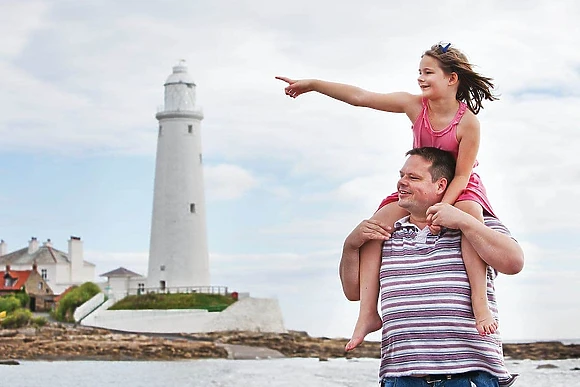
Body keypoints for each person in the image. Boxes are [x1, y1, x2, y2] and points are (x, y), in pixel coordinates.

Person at [277, 42, 501, 349]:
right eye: (419, 72)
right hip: (422, 183)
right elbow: (361, 97)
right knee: (374, 228)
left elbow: (462, 175)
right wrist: (314, 85)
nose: (421, 78)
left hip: (458, 186)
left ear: (451, 79)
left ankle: (479, 301)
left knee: (470, 219)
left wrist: (443, 209)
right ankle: (368, 312)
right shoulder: (414, 105)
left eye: (428, 72)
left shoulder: (468, 122)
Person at [340, 147, 523, 387]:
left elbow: (514, 262)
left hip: (470, 375)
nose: (401, 183)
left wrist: (464, 222)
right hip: (401, 376)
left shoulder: (474, 224)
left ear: (440, 185)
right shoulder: (386, 232)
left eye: (413, 177)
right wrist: (350, 247)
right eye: (402, 175)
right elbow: (353, 292)